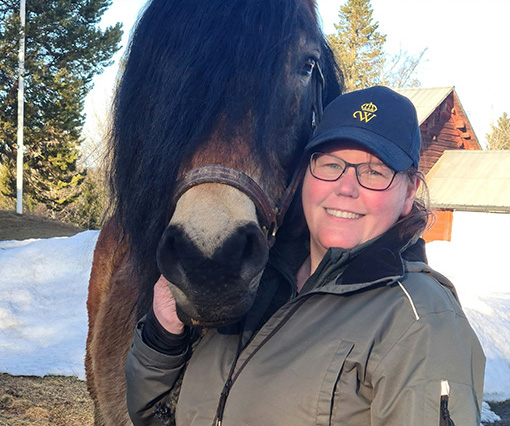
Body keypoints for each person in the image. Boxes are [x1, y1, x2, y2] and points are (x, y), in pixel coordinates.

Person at [125, 86, 485, 425]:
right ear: (304, 176)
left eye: (374, 172)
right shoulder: (253, 281)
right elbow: (155, 415)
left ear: (409, 193)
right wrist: (164, 336)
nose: (346, 187)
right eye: (331, 165)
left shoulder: (420, 322)